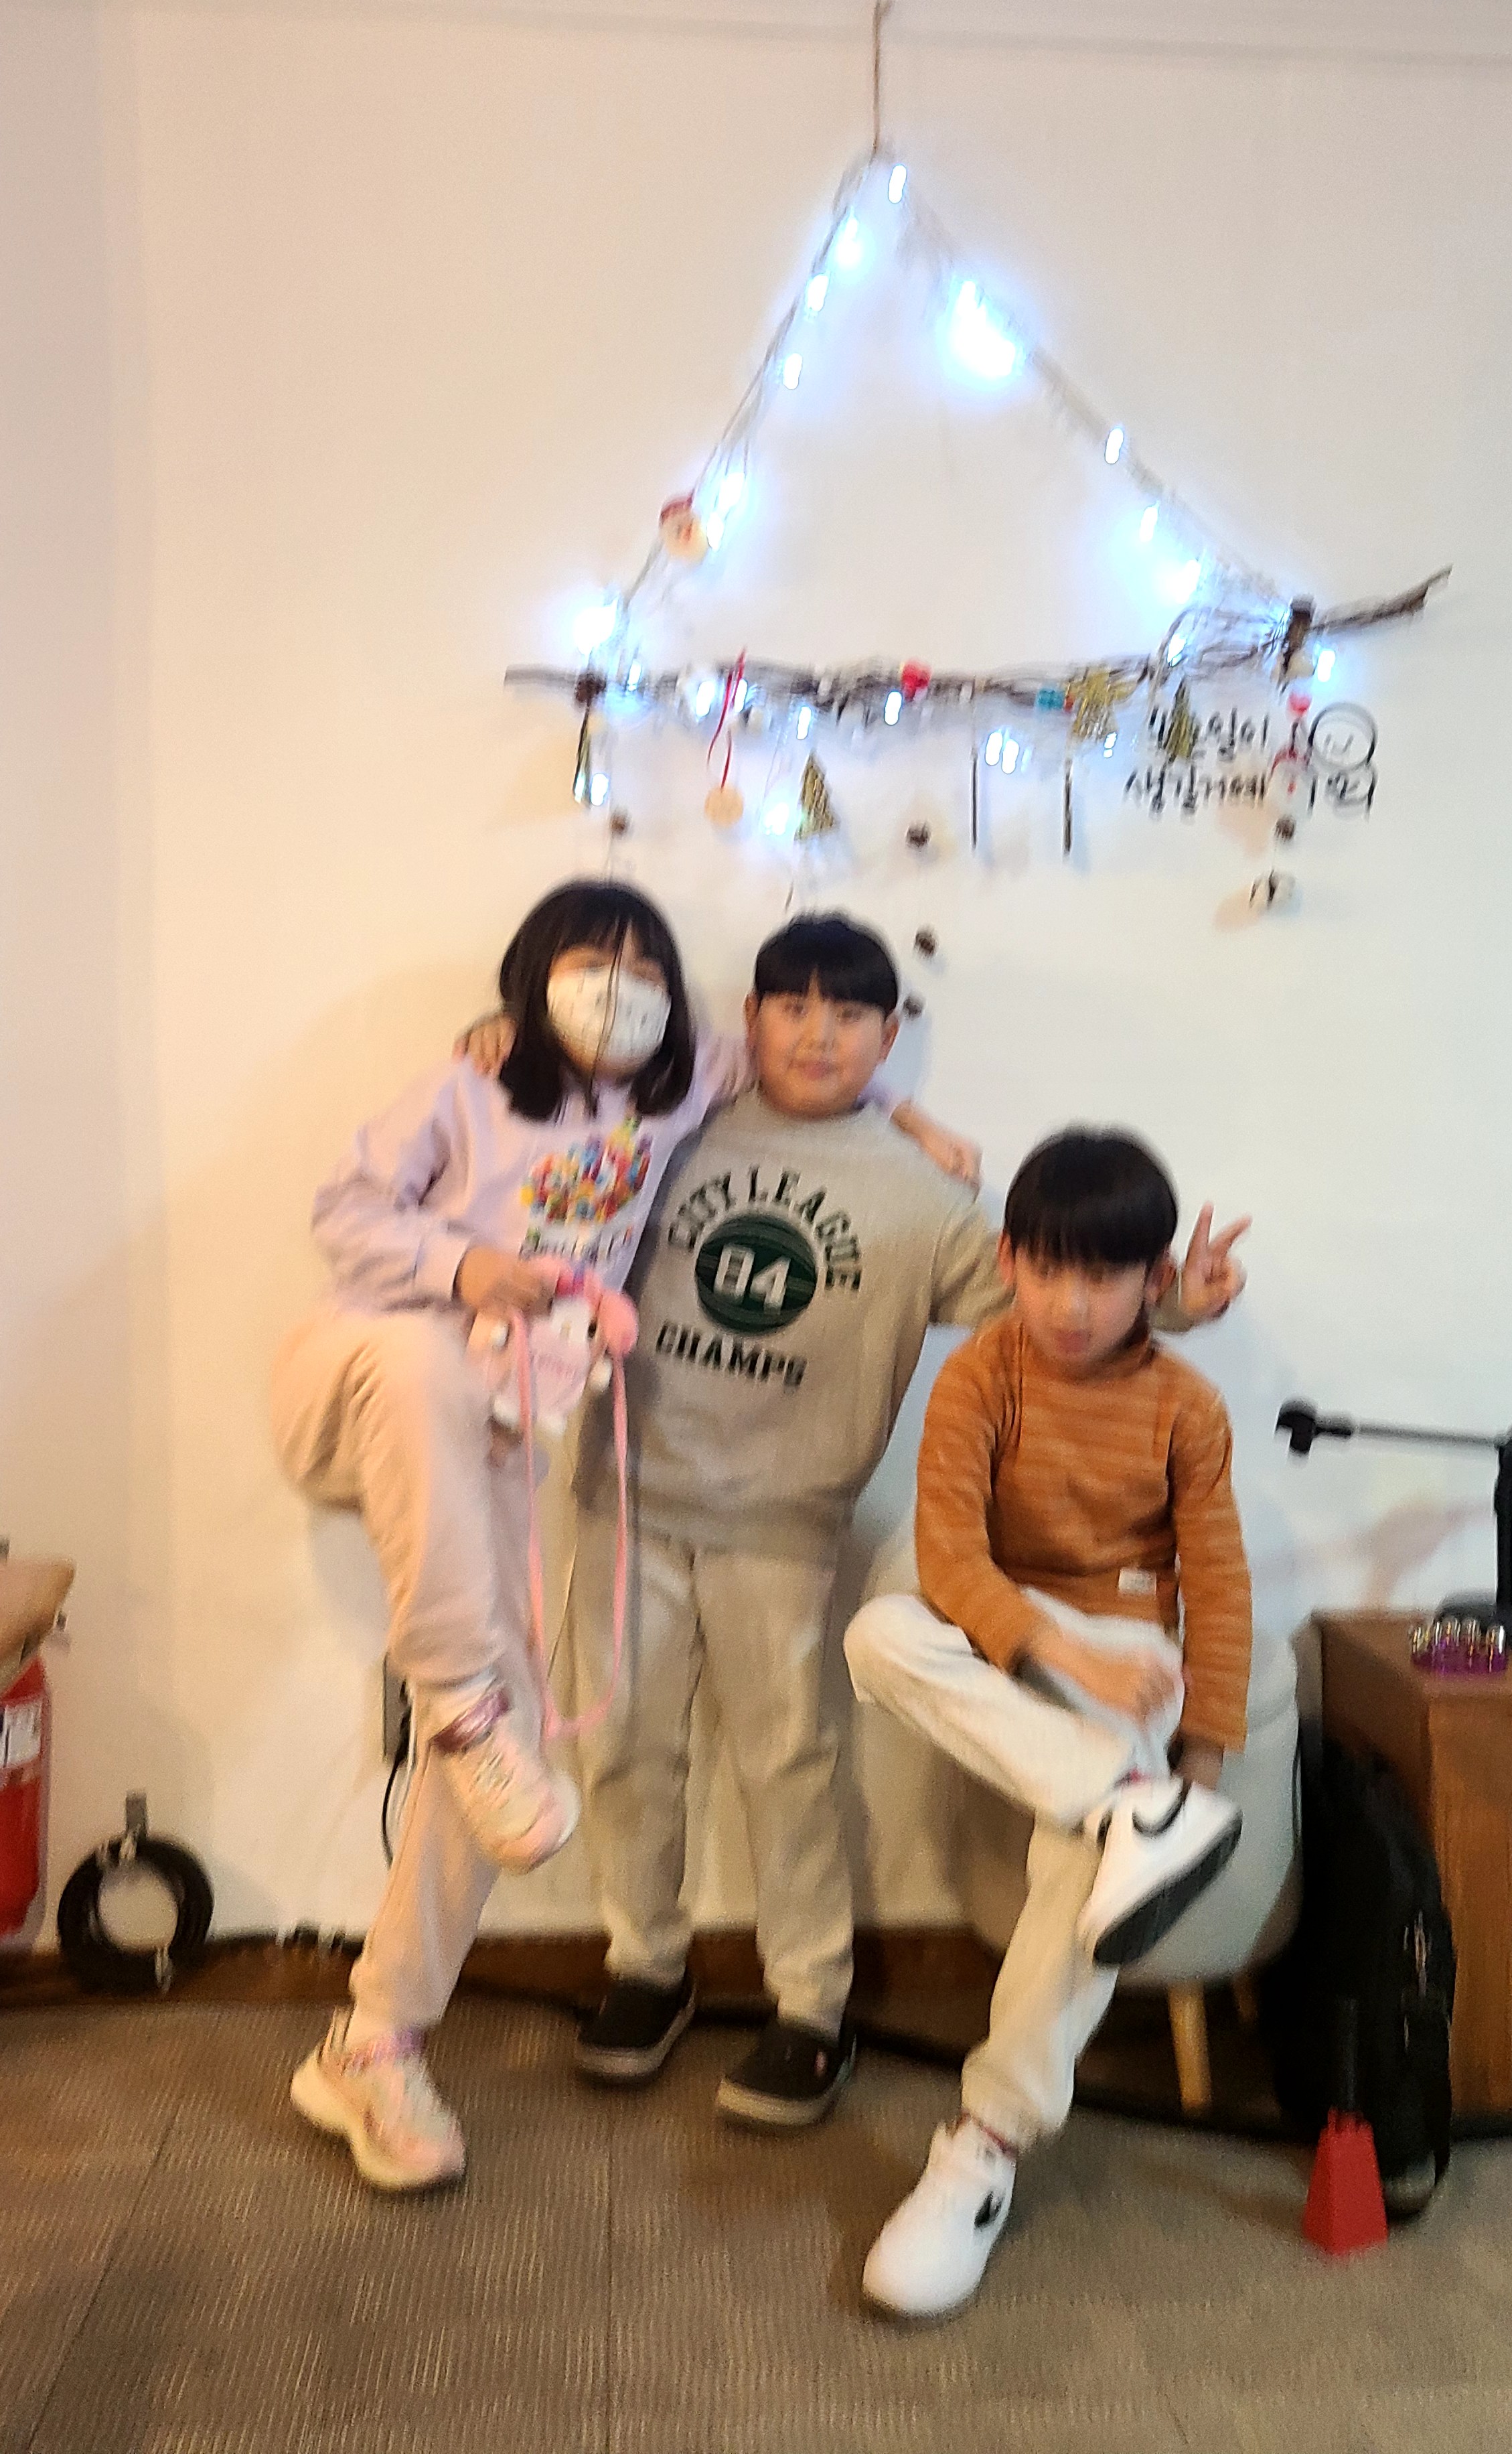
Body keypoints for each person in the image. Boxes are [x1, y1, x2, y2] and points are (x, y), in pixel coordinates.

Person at [270, 880, 966, 2194]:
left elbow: (808, 1052)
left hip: (504, 1426)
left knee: (514, 1752)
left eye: (647, 969)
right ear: (535, 975)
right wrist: (465, 1267)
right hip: (370, 1378)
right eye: (594, 962)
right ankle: (463, 1710)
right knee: (431, 1425)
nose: (621, 987)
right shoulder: (468, 1084)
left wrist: (910, 1113)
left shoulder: (678, 1089)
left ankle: (375, 2037)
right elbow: (345, 1213)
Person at [569, 922, 1247, 2131]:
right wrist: (502, 1043)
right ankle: (646, 1966)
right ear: (750, 1019)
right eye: (791, 1007)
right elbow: (553, 1152)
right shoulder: (679, 1128)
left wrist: (1181, 1304)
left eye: (849, 1016)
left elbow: (1058, 1299)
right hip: (625, 1494)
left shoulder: (930, 1200)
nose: (817, 1035)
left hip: (784, 1520)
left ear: (889, 1038)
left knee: (785, 1765)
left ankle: (810, 2006)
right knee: (623, 1744)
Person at [844, 1127, 1253, 2320]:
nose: (1073, 1305)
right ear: (1009, 1261)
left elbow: (1218, 1587)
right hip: (1013, 1625)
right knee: (878, 1635)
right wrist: (1056, 1650)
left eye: (1105, 1276)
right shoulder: (982, 1372)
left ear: (1152, 1279)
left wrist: (1202, 1764)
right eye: (1049, 1270)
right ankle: (1130, 1803)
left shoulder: (1188, 1406)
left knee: (1084, 1866)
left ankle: (985, 2145)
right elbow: (949, 1556)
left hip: (1126, 1648)